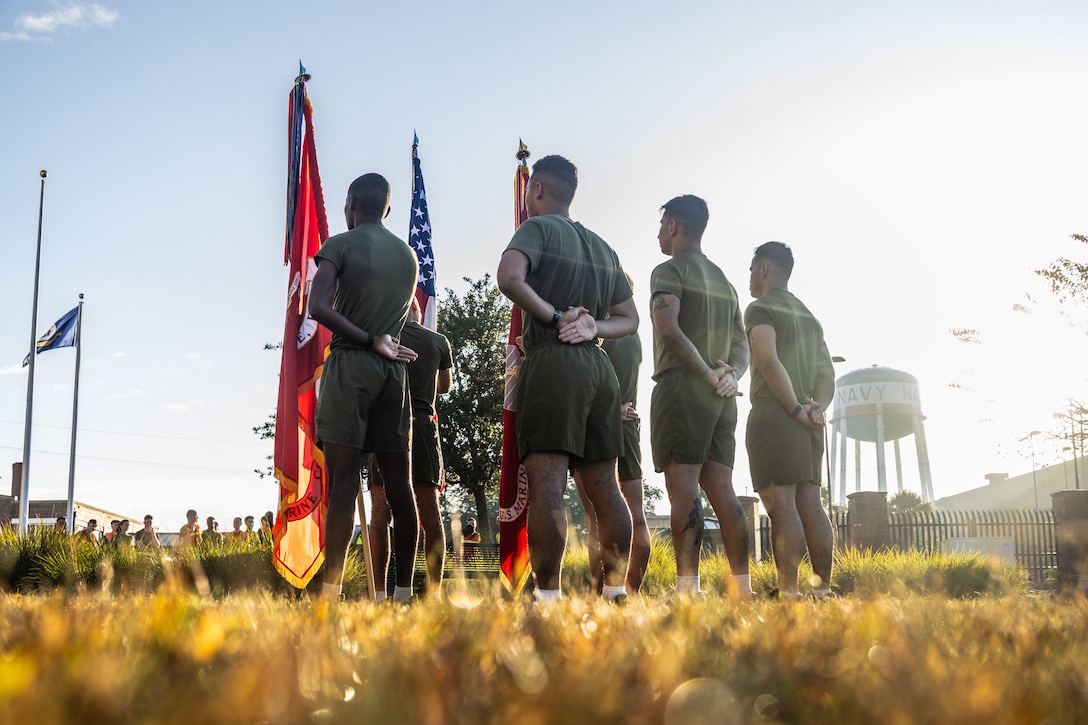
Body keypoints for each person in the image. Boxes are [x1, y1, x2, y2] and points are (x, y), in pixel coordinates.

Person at [496, 154, 638, 604]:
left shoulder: (535, 229)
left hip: (554, 362)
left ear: (536, 189)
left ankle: (548, 599)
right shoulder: (603, 246)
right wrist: (595, 326)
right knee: (606, 490)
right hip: (600, 370)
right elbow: (630, 319)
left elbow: (508, 278)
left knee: (548, 486)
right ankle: (615, 593)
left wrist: (557, 316)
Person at [310, 172, 420, 602]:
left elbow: (318, 306)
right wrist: (382, 340)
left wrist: (369, 339)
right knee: (400, 489)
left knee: (343, 488)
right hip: (394, 377)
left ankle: (330, 594)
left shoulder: (339, 244)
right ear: (387, 209)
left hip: (351, 368)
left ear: (352, 203)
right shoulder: (409, 256)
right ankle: (404, 593)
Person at [649, 195, 754, 598]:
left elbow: (669, 329)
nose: (659, 234)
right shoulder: (726, 282)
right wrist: (730, 376)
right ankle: (743, 589)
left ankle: (687, 590)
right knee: (723, 489)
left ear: (674, 225)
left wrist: (709, 375)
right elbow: (740, 342)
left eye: (661, 226)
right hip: (724, 398)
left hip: (683, 388)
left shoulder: (668, 269)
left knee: (684, 489)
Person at [744, 241, 835, 600]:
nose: (750, 277)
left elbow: (767, 361)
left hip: (777, 415)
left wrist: (796, 409)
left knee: (781, 506)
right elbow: (827, 374)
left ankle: (789, 593)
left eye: (752, 269)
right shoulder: (809, 317)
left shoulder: (760, 309)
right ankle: (823, 590)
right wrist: (817, 409)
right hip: (810, 424)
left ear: (764, 269)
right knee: (811, 504)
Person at [370, 297, 453, 597]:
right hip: (421, 422)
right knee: (430, 511)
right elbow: (444, 387)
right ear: (419, 311)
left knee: (380, 513)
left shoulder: (381, 337)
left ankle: (379, 593)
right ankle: (433, 594)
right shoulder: (438, 341)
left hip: (386, 423)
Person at [573, 281, 650, 595]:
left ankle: (602, 592)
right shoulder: (631, 333)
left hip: (603, 426)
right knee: (634, 514)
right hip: (628, 427)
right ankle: (629, 592)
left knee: (597, 517)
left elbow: (592, 380)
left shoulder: (601, 331)